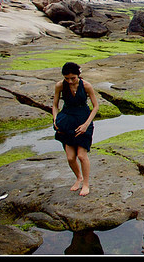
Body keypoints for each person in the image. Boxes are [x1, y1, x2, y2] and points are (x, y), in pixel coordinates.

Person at [52, 62, 99, 196]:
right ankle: (79, 177)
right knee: (70, 157)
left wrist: (86, 125)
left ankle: (86, 184)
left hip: (83, 119)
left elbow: (95, 107)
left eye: (73, 78)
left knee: (81, 155)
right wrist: (55, 119)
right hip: (67, 119)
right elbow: (55, 105)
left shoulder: (86, 86)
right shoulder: (60, 85)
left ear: (78, 75)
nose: (70, 81)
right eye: (67, 78)